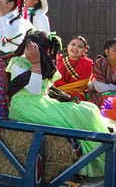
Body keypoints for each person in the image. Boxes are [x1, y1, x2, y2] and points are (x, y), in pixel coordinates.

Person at [7, 30, 109, 178]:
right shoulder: (18, 63)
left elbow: (45, 91)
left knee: (90, 108)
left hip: (41, 103)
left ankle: (105, 149)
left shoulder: (45, 63)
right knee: (82, 114)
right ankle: (99, 155)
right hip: (26, 107)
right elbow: (34, 90)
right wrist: (35, 62)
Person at [54, 36, 93, 101]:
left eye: (80, 46)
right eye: (73, 44)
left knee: (76, 100)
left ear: (84, 50)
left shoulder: (87, 63)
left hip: (76, 93)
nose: (75, 48)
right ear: (68, 46)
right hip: (56, 91)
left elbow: (83, 84)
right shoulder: (57, 59)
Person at [88, 38, 116, 107]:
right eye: (115, 50)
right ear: (107, 52)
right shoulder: (100, 63)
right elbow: (100, 87)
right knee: (107, 99)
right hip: (98, 92)